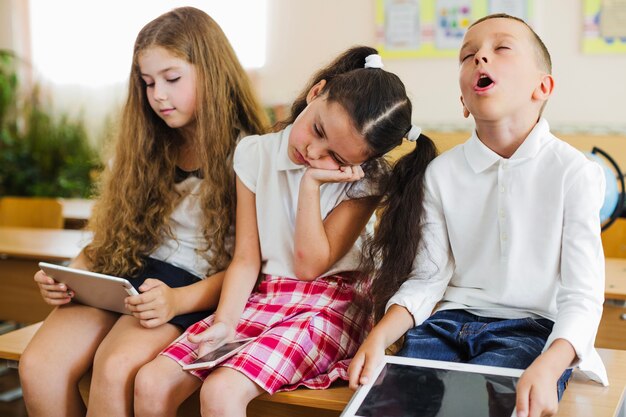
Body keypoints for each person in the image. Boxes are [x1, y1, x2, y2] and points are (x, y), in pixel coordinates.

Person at [132, 46, 437, 417]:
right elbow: (246, 258)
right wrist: (225, 323)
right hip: (264, 295)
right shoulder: (254, 153)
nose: (313, 152)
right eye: (318, 130)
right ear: (315, 93)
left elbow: (309, 266)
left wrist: (311, 185)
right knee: (151, 382)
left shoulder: (366, 182)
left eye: (336, 158)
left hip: (330, 305)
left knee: (221, 391)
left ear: (360, 164)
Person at [349, 13, 608, 417]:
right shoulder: (440, 174)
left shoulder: (575, 173)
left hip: (532, 329)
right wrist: (378, 337)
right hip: (446, 324)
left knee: (485, 407)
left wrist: (550, 364)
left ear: (543, 87)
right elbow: (428, 278)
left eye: (501, 48)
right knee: (389, 405)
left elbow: (582, 295)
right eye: (468, 55)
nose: (479, 59)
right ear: (464, 103)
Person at [18, 7, 268, 417]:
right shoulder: (144, 145)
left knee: (115, 370)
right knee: (38, 366)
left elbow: (250, 265)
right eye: (147, 83)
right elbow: (112, 236)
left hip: (193, 289)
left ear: (212, 71)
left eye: (172, 79)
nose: (158, 96)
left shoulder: (248, 152)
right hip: (129, 275)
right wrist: (68, 273)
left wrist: (176, 301)